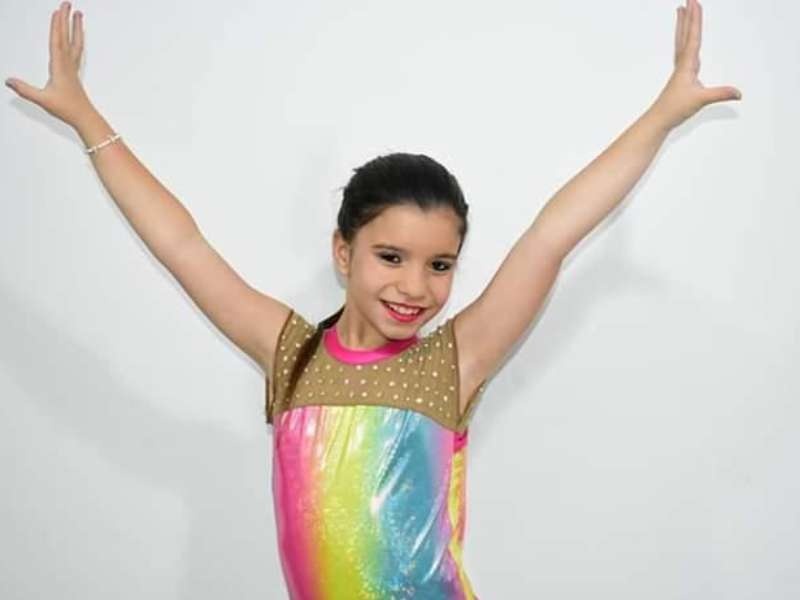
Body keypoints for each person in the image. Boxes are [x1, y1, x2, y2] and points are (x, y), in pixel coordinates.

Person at [5, 1, 741, 598]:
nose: (415, 286)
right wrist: (86, 120)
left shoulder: (452, 362)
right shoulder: (291, 354)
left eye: (440, 265)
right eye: (391, 257)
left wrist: (661, 116)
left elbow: (552, 234)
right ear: (343, 252)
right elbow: (181, 244)